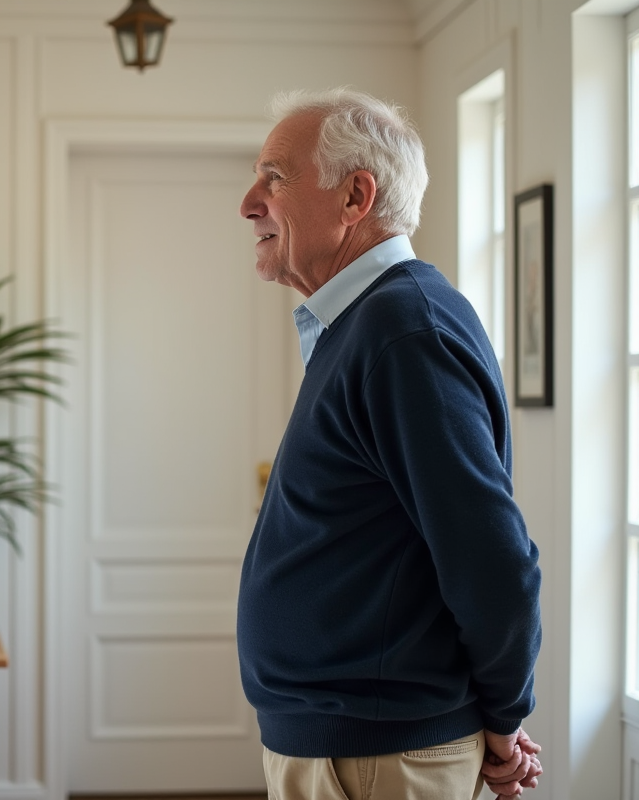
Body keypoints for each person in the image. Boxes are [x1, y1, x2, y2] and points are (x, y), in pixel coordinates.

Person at [235, 88, 543, 800]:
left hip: (380, 761)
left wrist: (504, 714)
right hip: (355, 752)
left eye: (274, 179)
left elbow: (494, 559)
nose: (249, 202)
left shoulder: (405, 333)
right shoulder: (370, 325)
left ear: (356, 196)